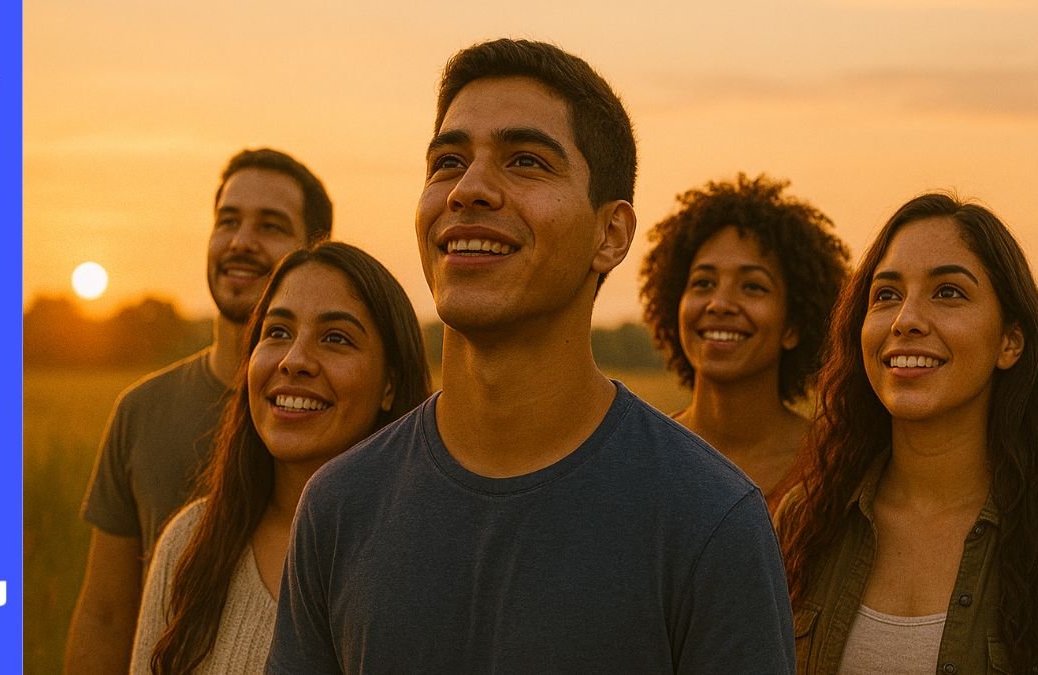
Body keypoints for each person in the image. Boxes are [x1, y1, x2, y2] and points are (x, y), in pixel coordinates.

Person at [268, 38, 795, 673]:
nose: (468, 190)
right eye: (447, 162)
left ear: (611, 234)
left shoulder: (710, 521)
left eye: (524, 161)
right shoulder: (339, 508)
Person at [774, 193, 1038, 673]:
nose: (906, 319)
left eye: (948, 292)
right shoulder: (806, 522)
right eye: (886, 294)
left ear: (1010, 341)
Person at [64, 148, 333, 674]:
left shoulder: (337, 412)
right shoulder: (140, 412)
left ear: (313, 253)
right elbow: (106, 616)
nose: (240, 242)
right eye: (227, 221)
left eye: (270, 225)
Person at [130, 242, 431, 674]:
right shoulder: (188, 543)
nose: (294, 361)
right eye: (277, 332)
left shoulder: (423, 556)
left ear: (389, 384)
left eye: (335, 338)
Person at [640, 174, 849, 511]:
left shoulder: (836, 467)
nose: (719, 303)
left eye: (752, 287)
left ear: (793, 325)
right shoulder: (639, 458)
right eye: (703, 283)